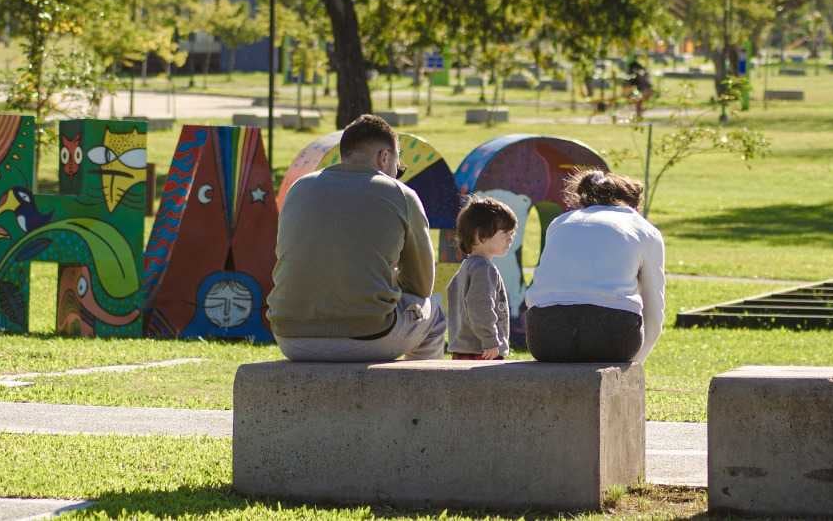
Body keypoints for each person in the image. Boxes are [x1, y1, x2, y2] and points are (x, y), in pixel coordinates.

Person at [268, 114, 444, 361]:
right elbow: (422, 285)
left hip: (290, 337)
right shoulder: (400, 193)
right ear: (384, 157)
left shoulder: (299, 188)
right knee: (434, 313)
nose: (396, 172)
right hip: (370, 335)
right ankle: (420, 397)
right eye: (398, 165)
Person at [524, 169, 665, 364]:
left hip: (545, 337)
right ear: (634, 205)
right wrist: (636, 365)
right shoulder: (644, 229)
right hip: (613, 337)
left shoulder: (559, 222)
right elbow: (654, 309)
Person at [446, 197, 516, 361]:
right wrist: (490, 339)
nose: (510, 238)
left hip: (463, 348)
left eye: (512, 233)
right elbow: (480, 305)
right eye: (505, 232)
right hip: (483, 351)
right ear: (479, 235)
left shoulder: (465, 267)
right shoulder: (484, 269)